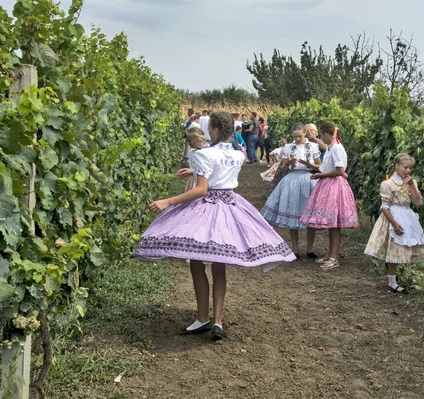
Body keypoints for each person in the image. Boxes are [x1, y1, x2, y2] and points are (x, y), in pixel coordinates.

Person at [132, 111, 296, 340]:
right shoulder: (238, 154)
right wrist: (195, 170)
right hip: (230, 205)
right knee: (219, 265)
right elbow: (221, 169)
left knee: (197, 260)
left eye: (210, 129)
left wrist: (167, 202)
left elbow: (201, 189)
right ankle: (217, 321)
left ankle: (202, 317)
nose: (209, 132)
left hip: (207, 207)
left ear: (216, 130)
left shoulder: (203, 153)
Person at [364, 153, 424, 293]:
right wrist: (394, 223)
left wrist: (412, 185)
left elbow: (417, 201)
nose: (408, 171)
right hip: (393, 217)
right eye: (405, 167)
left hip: (406, 215)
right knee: (393, 248)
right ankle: (392, 282)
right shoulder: (388, 184)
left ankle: (397, 278)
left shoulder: (411, 182)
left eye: (410, 168)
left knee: (403, 247)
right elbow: (385, 206)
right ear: (397, 166)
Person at [300, 122, 359, 270]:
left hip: (335, 186)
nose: (321, 137)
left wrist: (322, 175)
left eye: (321, 135)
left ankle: (334, 257)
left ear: (326, 134)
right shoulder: (333, 146)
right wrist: (316, 141)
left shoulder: (337, 148)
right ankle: (331, 254)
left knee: (335, 224)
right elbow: (328, 149)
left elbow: (340, 171)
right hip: (329, 185)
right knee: (331, 224)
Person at [261, 124, 321, 259]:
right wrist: (287, 163)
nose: (298, 139)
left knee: (309, 214)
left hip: (308, 178)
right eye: (295, 136)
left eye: (300, 136)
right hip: (292, 180)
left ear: (305, 134)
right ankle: (295, 249)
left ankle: (309, 249)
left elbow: (319, 166)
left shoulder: (312, 146)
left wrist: (309, 165)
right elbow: (282, 170)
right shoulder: (288, 147)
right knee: (292, 212)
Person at [176, 127, 206, 192]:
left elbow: (206, 170)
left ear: (197, 139)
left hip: (202, 181)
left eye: (190, 140)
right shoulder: (192, 151)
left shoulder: (206, 152)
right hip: (193, 179)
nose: (189, 143)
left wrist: (192, 171)